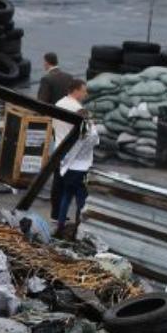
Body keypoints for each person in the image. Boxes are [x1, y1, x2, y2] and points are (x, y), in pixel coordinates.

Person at [50, 79, 100, 233]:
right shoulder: (77, 109)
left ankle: (57, 218)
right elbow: (92, 139)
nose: (86, 94)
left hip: (61, 152)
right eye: (84, 91)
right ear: (76, 90)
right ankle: (79, 226)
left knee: (62, 189)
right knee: (80, 198)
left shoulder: (59, 104)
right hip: (77, 161)